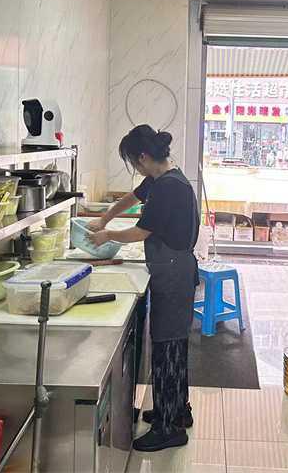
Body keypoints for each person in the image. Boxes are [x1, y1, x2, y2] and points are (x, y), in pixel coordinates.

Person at [87, 124, 200, 452]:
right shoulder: (163, 178)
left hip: (173, 274)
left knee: (167, 347)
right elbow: (132, 197)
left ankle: (169, 429)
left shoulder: (168, 188)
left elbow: (141, 232)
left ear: (144, 157)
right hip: (173, 270)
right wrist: (105, 218)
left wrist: (107, 235)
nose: (135, 168)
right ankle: (176, 410)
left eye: (133, 162)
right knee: (173, 345)